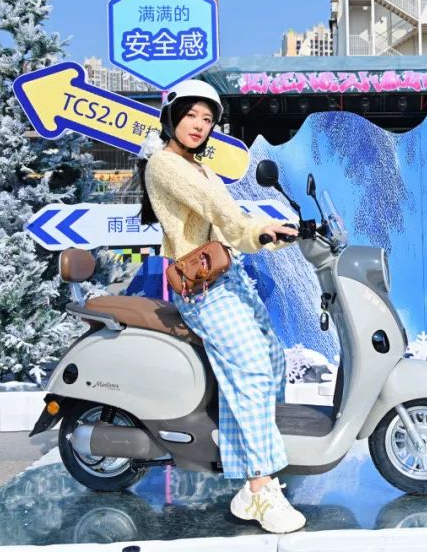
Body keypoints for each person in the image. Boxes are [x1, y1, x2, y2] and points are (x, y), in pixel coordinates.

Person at [134, 79, 306, 534]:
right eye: (190, 115)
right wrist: (256, 231)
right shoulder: (165, 164)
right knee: (251, 367)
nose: (199, 125)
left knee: (271, 361)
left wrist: (273, 230)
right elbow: (221, 212)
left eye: (207, 119)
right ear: (171, 118)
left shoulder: (199, 168)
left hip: (226, 276)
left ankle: (250, 483)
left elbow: (232, 218)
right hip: (202, 288)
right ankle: (261, 486)